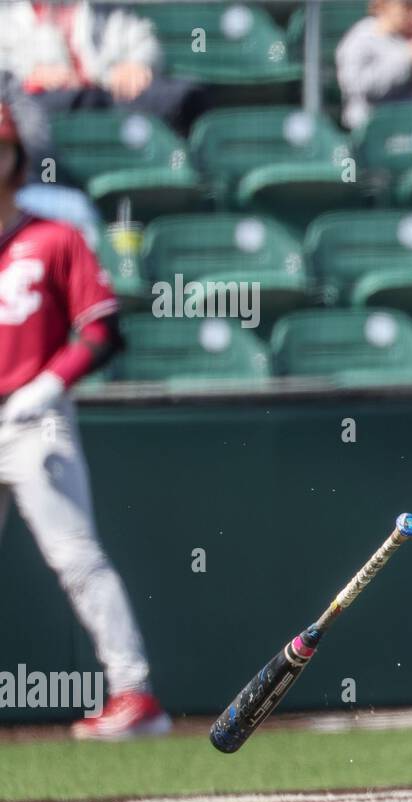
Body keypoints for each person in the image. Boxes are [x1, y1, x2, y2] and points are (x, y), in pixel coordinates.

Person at [0, 86, 169, 740]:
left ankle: (134, 694)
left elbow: (102, 329)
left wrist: (47, 385)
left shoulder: (54, 236)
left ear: (17, 157)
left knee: (75, 557)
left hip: (32, 420)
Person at [0, 1, 209, 135]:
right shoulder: (8, 16)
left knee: (182, 95)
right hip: (49, 102)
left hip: (109, 93)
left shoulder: (103, 9)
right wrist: (29, 75)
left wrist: (136, 65)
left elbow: (143, 40)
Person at [336, 0, 412, 131]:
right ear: (383, 5)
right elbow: (354, 85)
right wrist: (404, 60)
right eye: (408, 6)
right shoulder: (361, 38)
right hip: (373, 128)